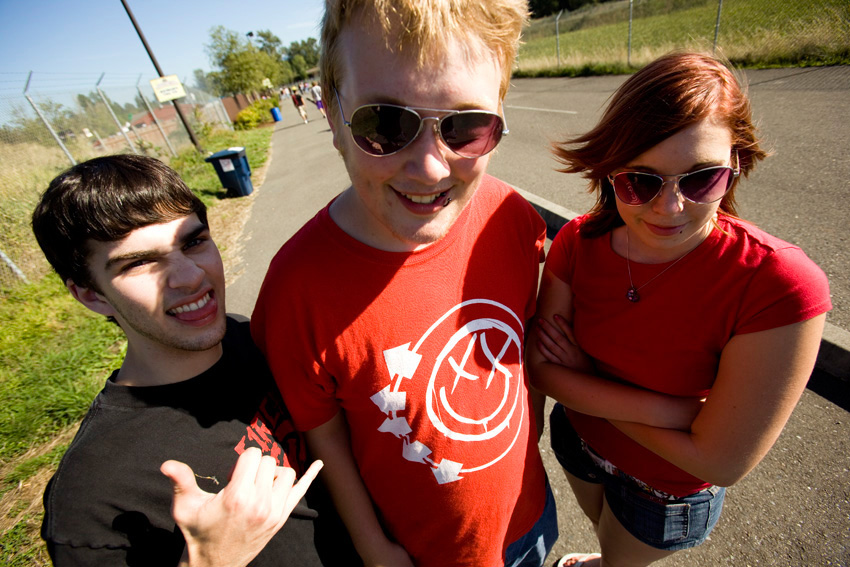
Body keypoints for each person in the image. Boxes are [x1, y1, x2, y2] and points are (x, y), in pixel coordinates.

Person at [251, 1, 557, 566]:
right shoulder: (300, 288)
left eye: (468, 126)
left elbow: (520, 343)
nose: (431, 169)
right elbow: (328, 438)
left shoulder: (509, 217)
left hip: (528, 515)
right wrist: (374, 547)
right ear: (332, 115)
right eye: (385, 125)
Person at [528, 52, 832, 567]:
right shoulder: (579, 241)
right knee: (605, 538)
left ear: (736, 163)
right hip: (579, 443)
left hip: (664, 491)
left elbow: (721, 460)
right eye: (639, 181)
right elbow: (540, 369)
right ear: (608, 172)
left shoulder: (777, 284)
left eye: (701, 179)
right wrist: (680, 414)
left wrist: (585, 382)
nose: (669, 208)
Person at [32, 154, 356, 567]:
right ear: (90, 295)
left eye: (193, 242)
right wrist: (211, 559)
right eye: (139, 263)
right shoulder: (93, 494)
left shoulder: (253, 339)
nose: (189, 277)